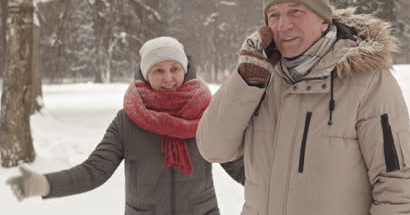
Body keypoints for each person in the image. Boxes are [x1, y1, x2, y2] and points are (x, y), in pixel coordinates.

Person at [196, 0, 410, 215]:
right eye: (274, 15)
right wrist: (246, 79)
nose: (283, 25)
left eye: (296, 11)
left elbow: (397, 183)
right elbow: (212, 148)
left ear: (324, 19)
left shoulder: (368, 81)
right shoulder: (259, 78)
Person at [6, 36, 244, 214]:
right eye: (157, 70)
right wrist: (45, 184)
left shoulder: (207, 115)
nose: (168, 78)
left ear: (186, 70)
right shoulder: (128, 121)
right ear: (144, 74)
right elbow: (95, 170)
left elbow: (239, 168)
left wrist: (278, 187)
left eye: (174, 69)